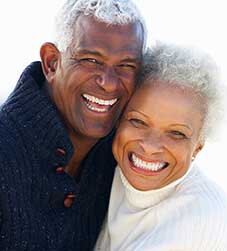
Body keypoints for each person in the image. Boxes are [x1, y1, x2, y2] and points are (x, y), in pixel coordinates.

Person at [0, 0, 146, 250]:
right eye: (91, 60)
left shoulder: (126, 152)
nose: (109, 83)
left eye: (126, 66)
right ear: (51, 62)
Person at [95, 43, 227, 250]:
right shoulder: (104, 170)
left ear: (198, 148)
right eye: (138, 121)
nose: (150, 146)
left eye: (176, 133)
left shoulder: (200, 218)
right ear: (119, 120)